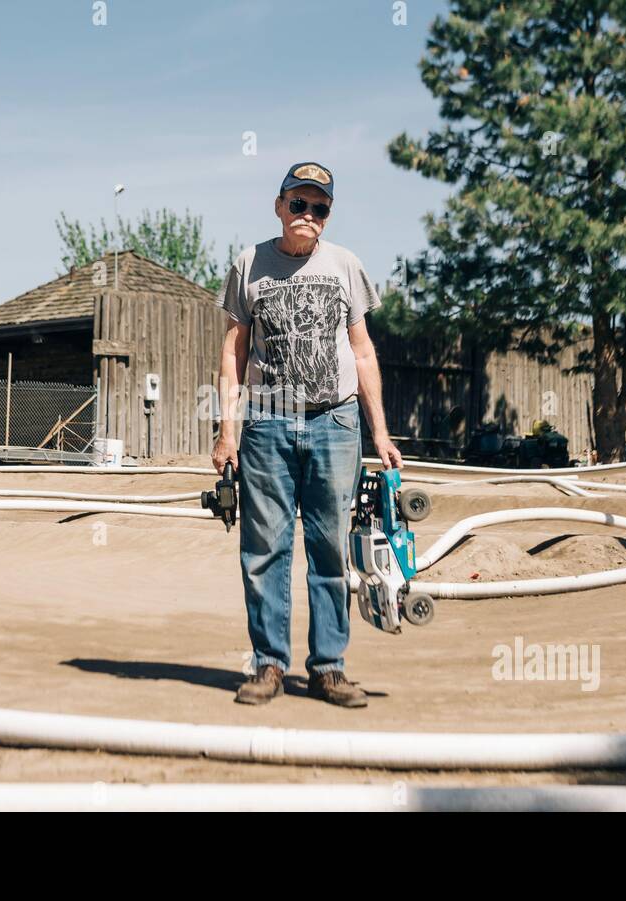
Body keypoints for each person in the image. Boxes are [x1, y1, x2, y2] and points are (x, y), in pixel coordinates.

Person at [212, 161, 402, 708]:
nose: (308, 214)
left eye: (319, 207)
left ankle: (329, 669)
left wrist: (381, 432)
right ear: (279, 206)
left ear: (328, 214)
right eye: (298, 203)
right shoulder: (249, 264)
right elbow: (234, 353)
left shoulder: (346, 266)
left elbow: (362, 353)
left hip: (334, 424)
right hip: (267, 424)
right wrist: (227, 433)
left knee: (330, 549)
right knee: (264, 549)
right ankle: (269, 665)